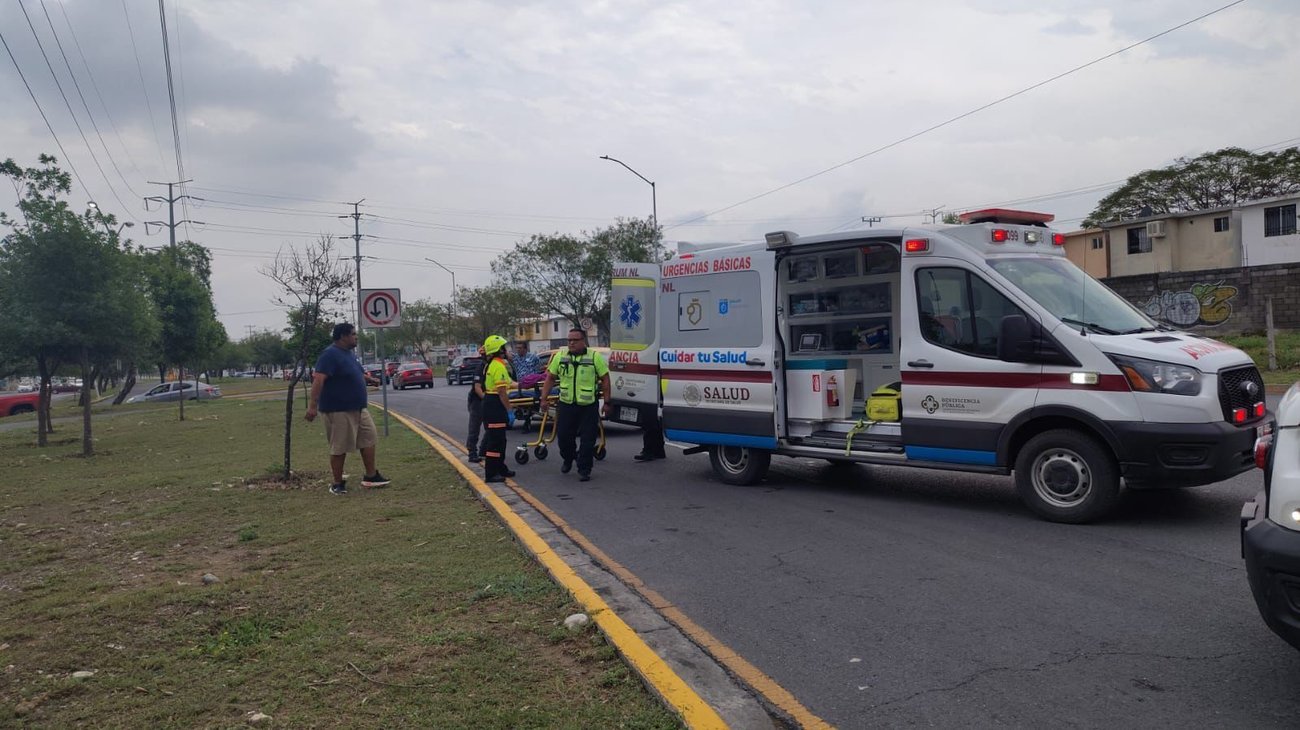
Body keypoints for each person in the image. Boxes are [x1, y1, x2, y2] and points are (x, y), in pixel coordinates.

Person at [305, 323, 390, 495]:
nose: (356, 337)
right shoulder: (329, 355)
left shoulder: (349, 354)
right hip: (338, 410)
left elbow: (355, 373)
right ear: (343, 336)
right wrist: (312, 406)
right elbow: (319, 380)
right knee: (340, 446)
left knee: (369, 438)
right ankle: (337, 483)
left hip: (358, 408)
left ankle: (371, 476)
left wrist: (369, 379)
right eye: (353, 334)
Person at [538, 328, 610, 482]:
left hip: (588, 405)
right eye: (569, 340)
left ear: (583, 341)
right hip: (566, 404)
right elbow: (550, 378)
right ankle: (569, 457)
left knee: (588, 439)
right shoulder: (560, 356)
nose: (571, 343)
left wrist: (607, 402)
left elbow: (605, 379)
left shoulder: (594, 357)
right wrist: (543, 399)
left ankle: (584, 469)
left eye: (575, 340)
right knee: (563, 437)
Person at [480, 335, 517, 483]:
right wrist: (509, 410)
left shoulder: (494, 364)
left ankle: (501, 468)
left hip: (492, 403)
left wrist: (525, 384)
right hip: (495, 404)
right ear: (499, 350)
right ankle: (491, 473)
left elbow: (509, 383)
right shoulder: (498, 366)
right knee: (495, 441)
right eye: (504, 348)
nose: (506, 350)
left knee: (501, 440)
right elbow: (502, 391)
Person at [466, 345, 487, 463]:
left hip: (487, 399)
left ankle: (483, 450)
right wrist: (486, 399)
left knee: (490, 428)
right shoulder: (481, 367)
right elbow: (477, 387)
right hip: (477, 400)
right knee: (474, 428)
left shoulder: (493, 366)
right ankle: (472, 453)